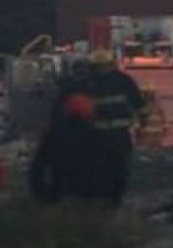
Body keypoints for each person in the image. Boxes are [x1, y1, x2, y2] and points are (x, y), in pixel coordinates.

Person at [68, 50, 145, 207]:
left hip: (101, 137)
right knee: (116, 170)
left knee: (106, 171)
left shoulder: (88, 83)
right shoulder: (123, 81)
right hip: (113, 136)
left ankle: (106, 201)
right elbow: (138, 104)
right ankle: (111, 201)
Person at [29, 92, 116, 205]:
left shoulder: (54, 135)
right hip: (94, 199)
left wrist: (41, 196)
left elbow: (37, 168)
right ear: (90, 112)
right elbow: (114, 169)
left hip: (60, 197)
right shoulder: (102, 136)